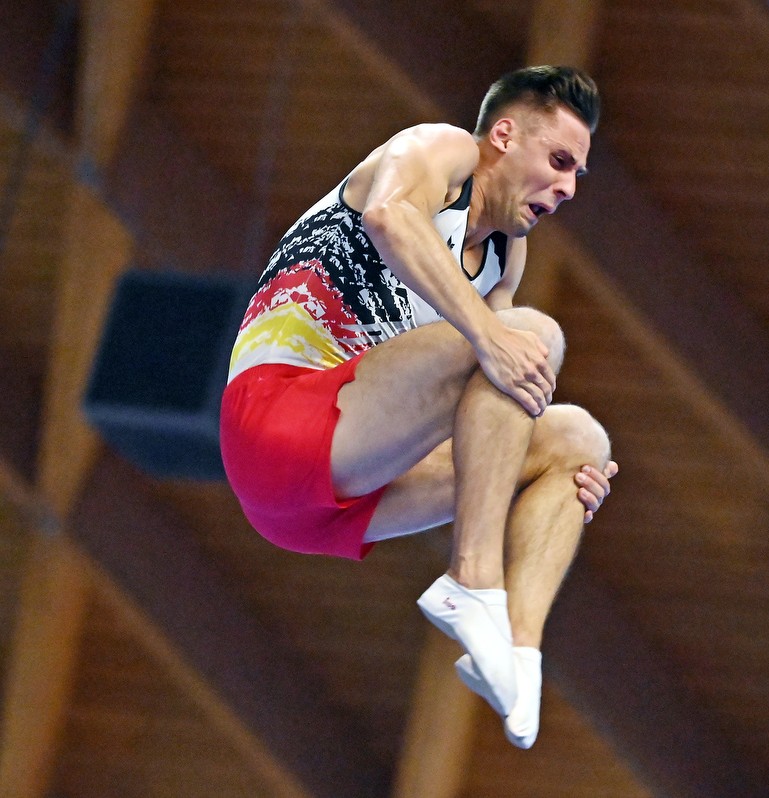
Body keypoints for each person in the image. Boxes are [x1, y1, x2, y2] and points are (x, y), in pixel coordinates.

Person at [219, 65, 617, 749]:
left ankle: (518, 653)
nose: (568, 188)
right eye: (558, 162)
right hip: (277, 420)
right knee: (530, 338)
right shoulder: (441, 151)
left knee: (580, 442)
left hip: (340, 501)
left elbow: (492, 409)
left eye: (577, 174)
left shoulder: (507, 258)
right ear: (504, 135)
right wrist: (488, 332)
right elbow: (388, 216)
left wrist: (546, 482)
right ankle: (473, 578)